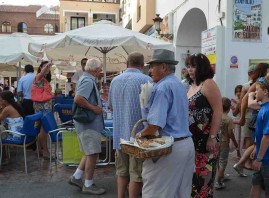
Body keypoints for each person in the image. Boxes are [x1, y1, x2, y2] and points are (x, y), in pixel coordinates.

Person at [135, 49, 195, 198]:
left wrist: (140, 135)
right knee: (181, 193)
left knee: (155, 193)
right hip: (186, 144)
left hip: (169, 147)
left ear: (163, 67)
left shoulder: (162, 87)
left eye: (152, 66)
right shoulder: (179, 84)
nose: (150, 71)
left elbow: (156, 125)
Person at [109, 52, 152, 198]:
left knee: (121, 171)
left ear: (127, 63)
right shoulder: (146, 80)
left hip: (119, 135)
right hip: (137, 137)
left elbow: (111, 106)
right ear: (142, 65)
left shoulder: (114, 81)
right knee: (136, 174)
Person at [185, 53, 222, 197]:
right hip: (192, 139)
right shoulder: (190, 85)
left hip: (206, 140)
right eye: (188, 66)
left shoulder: (208, 83)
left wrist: (212, 137)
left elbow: (218, 111)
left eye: (194, 66)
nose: (190, 69)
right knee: (193, 181)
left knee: (203, 183)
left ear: (202, 67)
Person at [68, 58, 106, 195]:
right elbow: (78, 99)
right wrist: (93, 108)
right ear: (95, 70)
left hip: (87, 124)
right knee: (93, 153)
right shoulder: (88, 80)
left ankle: (77, 177)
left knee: (89, 152)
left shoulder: (87, 79)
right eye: (100, 69)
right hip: (88, 124)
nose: (101, 71)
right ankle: (88, 184)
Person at [215, 97, 240, 189]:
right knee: (223, 162)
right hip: (224, 143)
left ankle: (222, 176)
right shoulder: (229, 119)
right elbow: (230, 133)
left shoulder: (215, 116)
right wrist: (235, 144)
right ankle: (219, 182)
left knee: (218, 161)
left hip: (216, 142)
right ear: (229, 108)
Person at [33, 61, 53, 159]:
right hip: (43, 107)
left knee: (40, 128)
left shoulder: (45, 80)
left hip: (42, 106)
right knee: (44, 129)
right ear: (40, 68)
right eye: (45, 67)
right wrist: (48, 65)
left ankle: (39, 149)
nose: (47, 69)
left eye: (48, 67)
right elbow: (41, 73)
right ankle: (45, 151)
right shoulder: (39, 77)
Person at [0, 91, 24, 165]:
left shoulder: (7, 109)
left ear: (5, 100)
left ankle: (4, 158)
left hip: (15, 136)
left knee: (1, 134)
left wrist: (2, 107)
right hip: (21, 134)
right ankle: (4, 157)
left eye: (1, 99)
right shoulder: (16, 105)